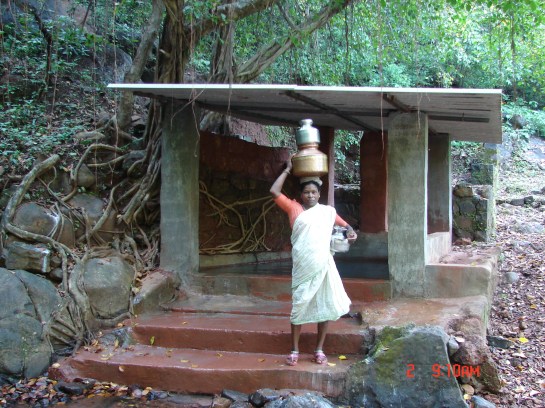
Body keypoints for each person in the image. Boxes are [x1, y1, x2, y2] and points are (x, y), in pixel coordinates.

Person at [269, 157, 357, 366]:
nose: (310, 195)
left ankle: (319, 349)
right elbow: (274, 192)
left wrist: (351, 231)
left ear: (319, 194)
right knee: (298, 306)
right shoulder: (294, 209)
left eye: (314, 192)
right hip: (303, 266)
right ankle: (294, 349)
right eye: (306, 192)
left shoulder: (327, 212)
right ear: (301, 195)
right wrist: (287, 170)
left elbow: (346, 227)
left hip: (323, 265)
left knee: (324, 305)